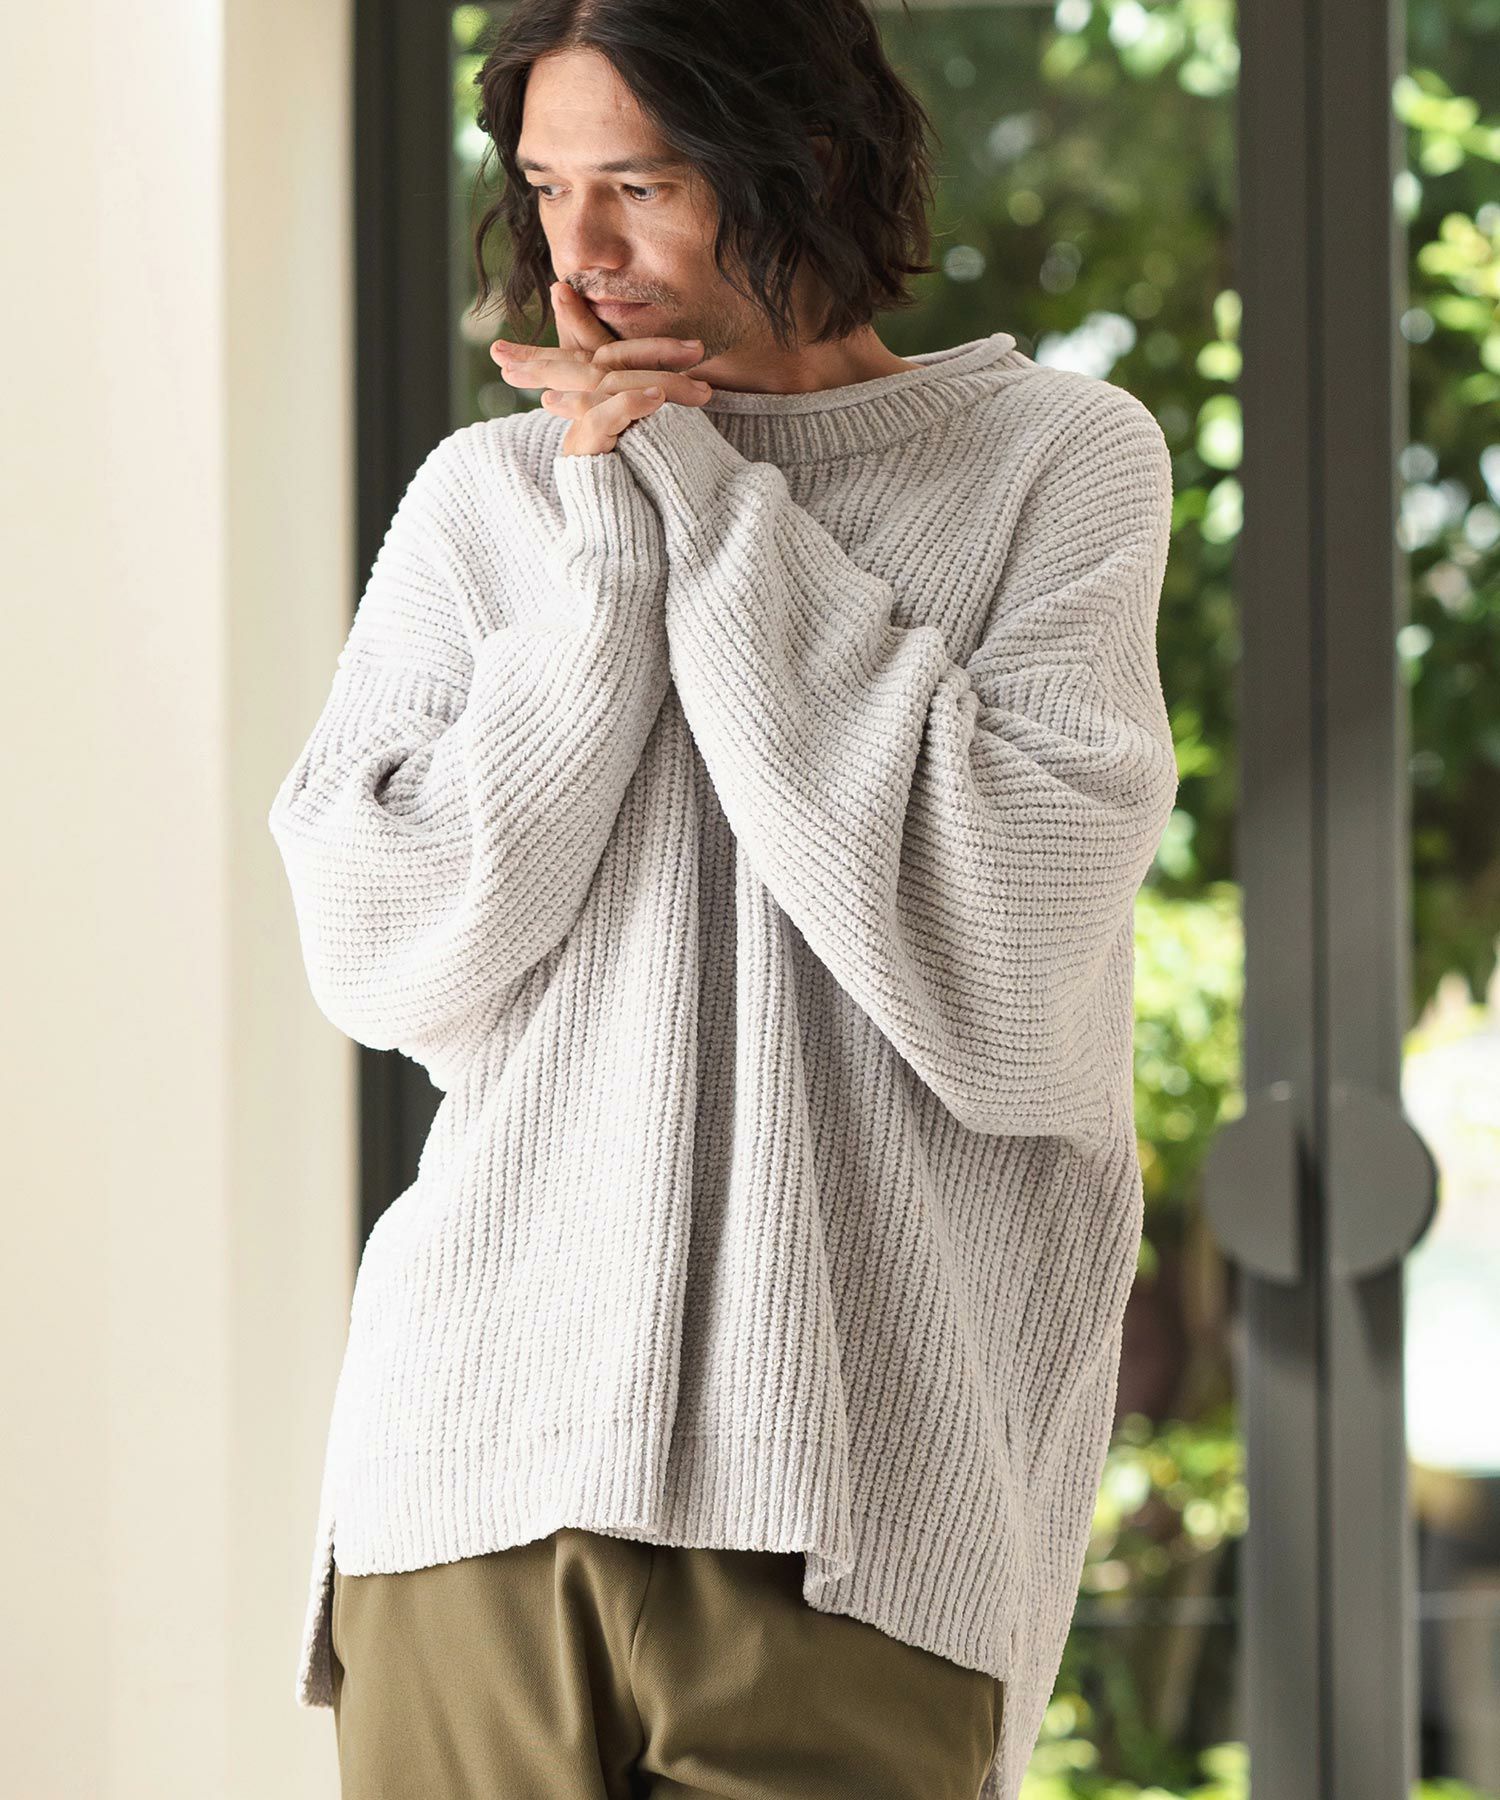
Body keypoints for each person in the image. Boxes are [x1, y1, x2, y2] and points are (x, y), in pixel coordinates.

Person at [266, 3, 1180, 1796]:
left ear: (806, 164)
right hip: (465, 1478)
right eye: (547, 188)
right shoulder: (490, 500)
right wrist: (608, 548)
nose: (581, 254)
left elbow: (998, 941)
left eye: (642, 184)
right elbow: (383, 948)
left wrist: (690, 476)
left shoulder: (1053, 463)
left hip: (848, 1513)